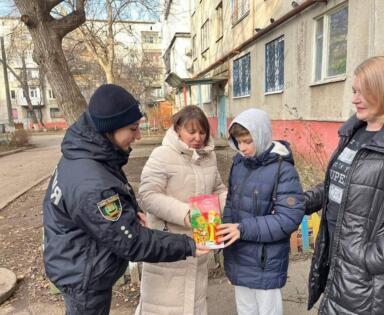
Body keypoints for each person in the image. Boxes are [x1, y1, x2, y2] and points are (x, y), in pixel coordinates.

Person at [43, 84, 208, 315]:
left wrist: (129, 209)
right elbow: (133, 242)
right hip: (84, 277)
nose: (138, 136)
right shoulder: (91, 183)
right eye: (133, 129)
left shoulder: (88, 154)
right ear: (110, 128)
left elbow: (111, 191)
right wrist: (187, 245)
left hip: (79, 260)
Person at [305, 55, 384, 314]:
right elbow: (339, 185)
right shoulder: (354, 133)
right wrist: (303, 201)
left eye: (363, 92)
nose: (354, 99)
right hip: (337, 267)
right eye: (354, 91)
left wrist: (369, 258)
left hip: (373, 285)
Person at [135, 105, 227, 315]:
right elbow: (148, 195)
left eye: (202, 132)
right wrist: (187, 215)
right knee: (163, 307)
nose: (198, 137)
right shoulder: (162, 155)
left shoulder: (208, 157)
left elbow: (219, 189)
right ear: (178, 129)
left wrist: (218, 210)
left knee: (194, 304)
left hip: (200, 243)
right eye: (191, 131)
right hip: (167, 243)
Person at [216, 108, 305, 315]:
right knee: (246, 310)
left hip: (265, 259)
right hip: (239, 254)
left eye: (248, 141)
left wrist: (242, 229)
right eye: (238, 141)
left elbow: (288, 218)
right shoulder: (239, 163)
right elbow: (231, 203)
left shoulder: (283, 168)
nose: (242, 147)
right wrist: (223, 235)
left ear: (262, 135)